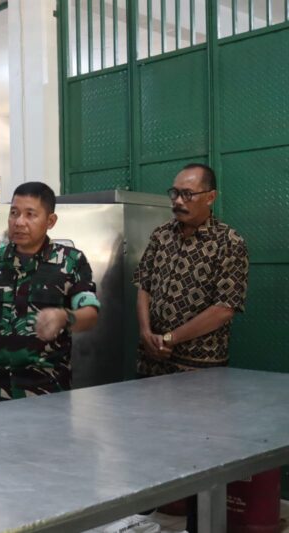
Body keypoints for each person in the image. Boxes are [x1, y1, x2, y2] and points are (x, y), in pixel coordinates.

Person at [133, 163, 248, 533]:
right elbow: (143, 284)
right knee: (150, 443)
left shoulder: (230, 243)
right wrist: (146, 332)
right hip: (153, 364)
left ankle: (201, 525)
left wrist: (171, 339)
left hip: (198, 372)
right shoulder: (161, 235)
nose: (178, 201)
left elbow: (225, 307)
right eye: (175, 193)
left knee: (198, 455)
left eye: (187, 194)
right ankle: (144, 520)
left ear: (210, 197)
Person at [0, 182, 100, 401]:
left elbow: (91, 314)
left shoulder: (70, 261)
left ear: (50, 221)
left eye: (30, 214)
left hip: (48, 389)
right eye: (14, 213)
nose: (19, 222)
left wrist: (64, 317)